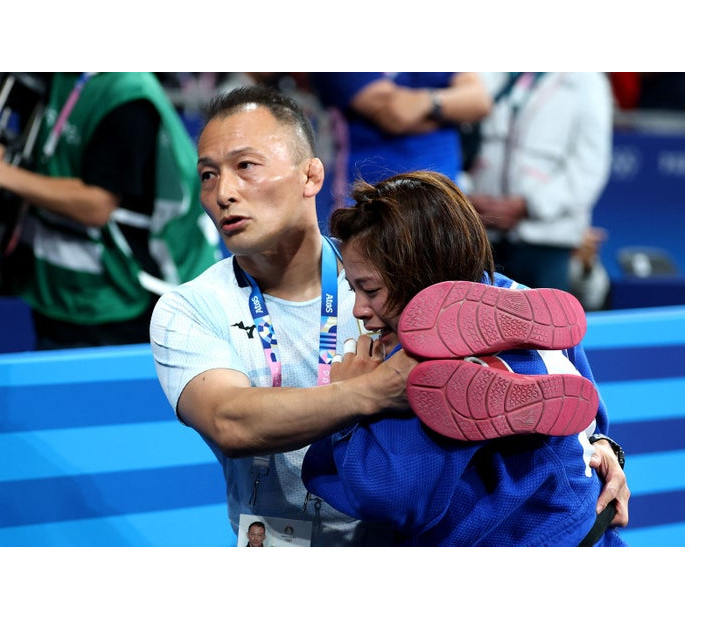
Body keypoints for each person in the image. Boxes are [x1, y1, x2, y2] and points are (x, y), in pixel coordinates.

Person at [149, 85, 629, 547]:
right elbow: (230, 422)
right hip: (282, 542)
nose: (223, 192)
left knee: (469, 340)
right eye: (208, 174)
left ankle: (558, 458)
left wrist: (600, 444)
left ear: (310, 176)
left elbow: (537, 325)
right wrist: (369, 391)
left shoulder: (393, 270)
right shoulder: (188, 309)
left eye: (245, 166)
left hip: (395, 537)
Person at [301, 170, 629, 546]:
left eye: (370, 289)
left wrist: (349, 399)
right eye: (353, 288)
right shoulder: (523, 303)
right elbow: (585, 410)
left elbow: (387, 495)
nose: (359, 309)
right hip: (584, 528)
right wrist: (606, 446)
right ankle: (495, 362)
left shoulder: (417, 372)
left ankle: (489, 363)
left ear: (418, 274)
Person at [0, 72, 221, 350]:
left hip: (116, 296)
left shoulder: (127, 97)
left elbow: (96, 205)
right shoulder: (57, 76)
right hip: (57, 289)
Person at [460, 72, 614, 293]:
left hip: (546, 242)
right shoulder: (483, 72)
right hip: (481, 236)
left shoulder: (587, 80)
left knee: (545, 323)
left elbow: (589, 167)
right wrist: (465, 199)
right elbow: (460, 144)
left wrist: (529, 207)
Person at [310, 72, 492, 215]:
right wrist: (450, 112)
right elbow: (395, 115)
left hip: (441, 206)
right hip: (367, 206)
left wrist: (427, 101)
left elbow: (480, 101)